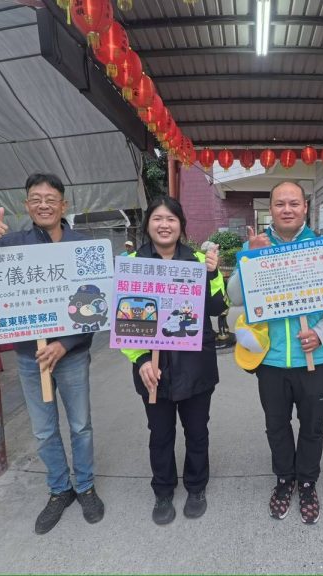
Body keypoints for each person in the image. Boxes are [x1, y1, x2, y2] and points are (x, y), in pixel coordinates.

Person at [0, 172, 105, 534]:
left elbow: (97, 306)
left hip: (71, 355)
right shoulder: (11, 244)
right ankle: (59, 489)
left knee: (81, 425)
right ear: (26, 205)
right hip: (29, 357)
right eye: (36, 199)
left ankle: (85, 486)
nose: (44, 205)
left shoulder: (83, 246)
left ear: (63, 205)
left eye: (50, 199)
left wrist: (64, 343)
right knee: (43, 430)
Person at [243, 180, 323, 525]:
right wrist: (249, 258)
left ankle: (307, 481)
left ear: (305, 207)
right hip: (270, 359)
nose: (286, 209)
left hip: (315, 359)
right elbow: (236, 297)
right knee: (276, 425)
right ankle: (284, 478)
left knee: (313, 426)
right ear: (270, 209)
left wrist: (320, 334)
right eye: (279, 204)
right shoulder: (256, 245)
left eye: (293, 203)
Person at [120, 197, 227, 525]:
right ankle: (163, 490)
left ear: (181, 226)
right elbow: (124, 321)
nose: (164, 225)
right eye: (157, 218)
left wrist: (212, 274)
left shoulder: (198, 261)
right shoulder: (132, 262)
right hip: (153, 369)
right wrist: (141, 360)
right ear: (147, 224)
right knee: (160, 434)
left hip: (196, 365)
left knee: (197, 431)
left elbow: (218, 307)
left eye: (171, 219)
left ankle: (196, 486)